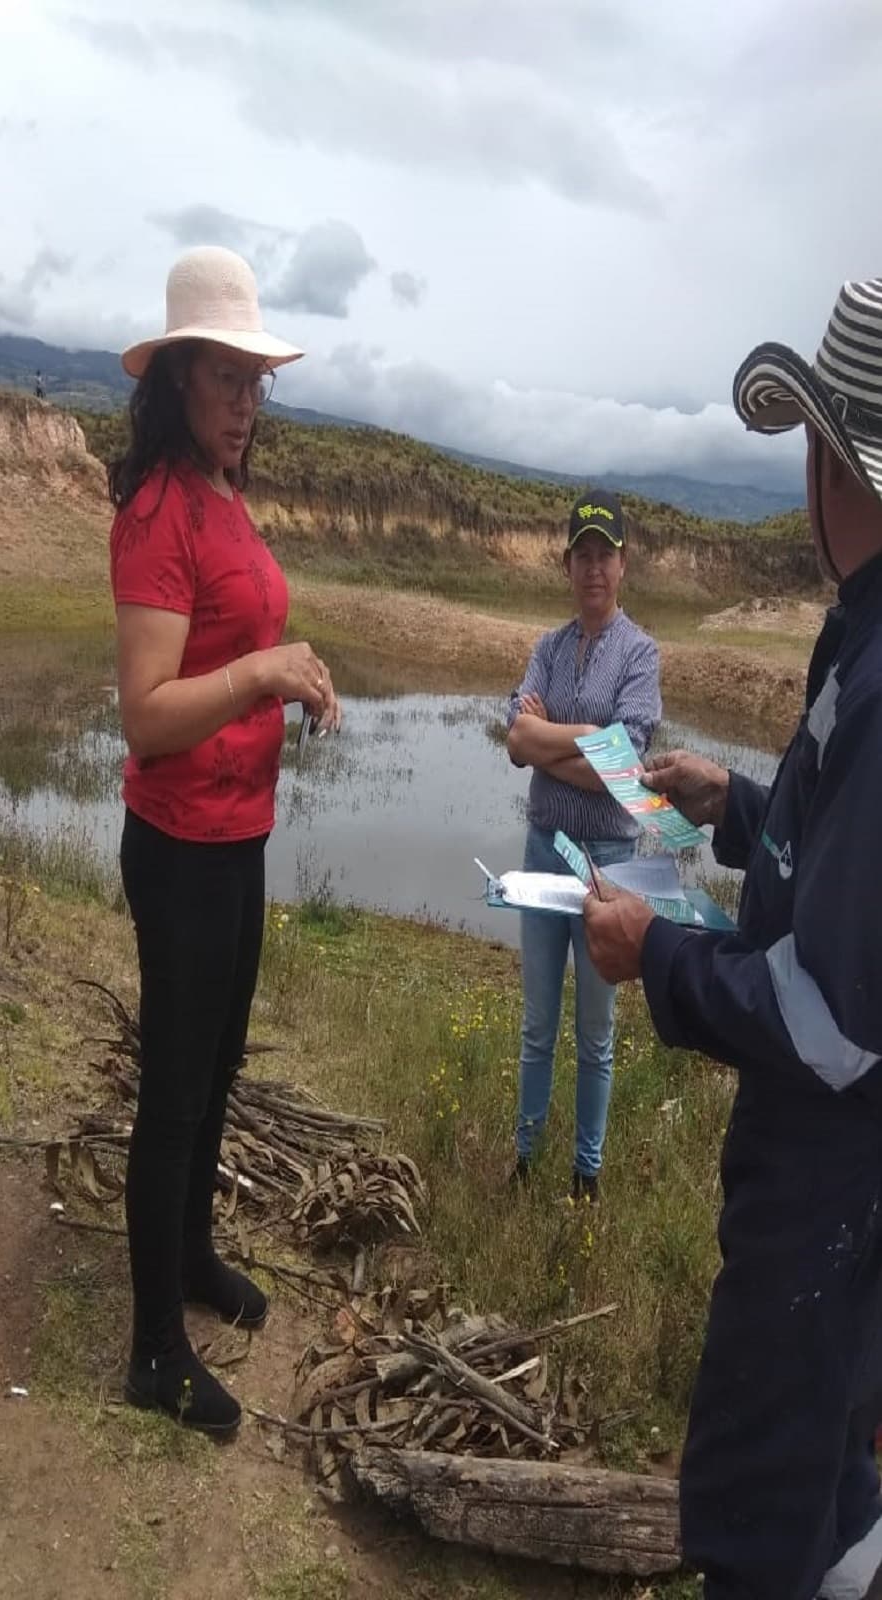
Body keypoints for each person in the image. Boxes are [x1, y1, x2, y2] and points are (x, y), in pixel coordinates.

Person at [584, 277, 882, 1600]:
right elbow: (845, 879)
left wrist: (654, 952)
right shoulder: (859, 646)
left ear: (833, 459)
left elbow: (829, 1017)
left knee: (762, 1530)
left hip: (826, 1209)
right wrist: (740, 807)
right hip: (846, 1218)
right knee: (831, 1502)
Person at [109, 245, 341, 1437]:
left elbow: (239, 643)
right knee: (174, 1088)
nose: (250, 403)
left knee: (218, 1071)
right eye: (229, 379)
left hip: (237, 836)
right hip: (182, 845)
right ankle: (152, 1350)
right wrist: (259, 671)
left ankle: (192, 1255)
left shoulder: (223, 492)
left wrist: (285, 671)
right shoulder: (157, 509)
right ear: (179, 380)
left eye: (258, 382)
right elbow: (147, 718)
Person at [505, 490, 661, 1201]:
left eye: (606, 554)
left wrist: (551, 743)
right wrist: (587, 748)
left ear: (623, 565)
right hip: (544, 852)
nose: (593, 568)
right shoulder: (547, 647)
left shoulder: (641, 654)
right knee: (539, 1020)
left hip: (610, 867)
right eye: (582, 555)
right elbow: (515, 738)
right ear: (567, 564)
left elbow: (627, 761)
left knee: (596, 1033)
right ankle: (526, 1157)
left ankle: (586, 1174)